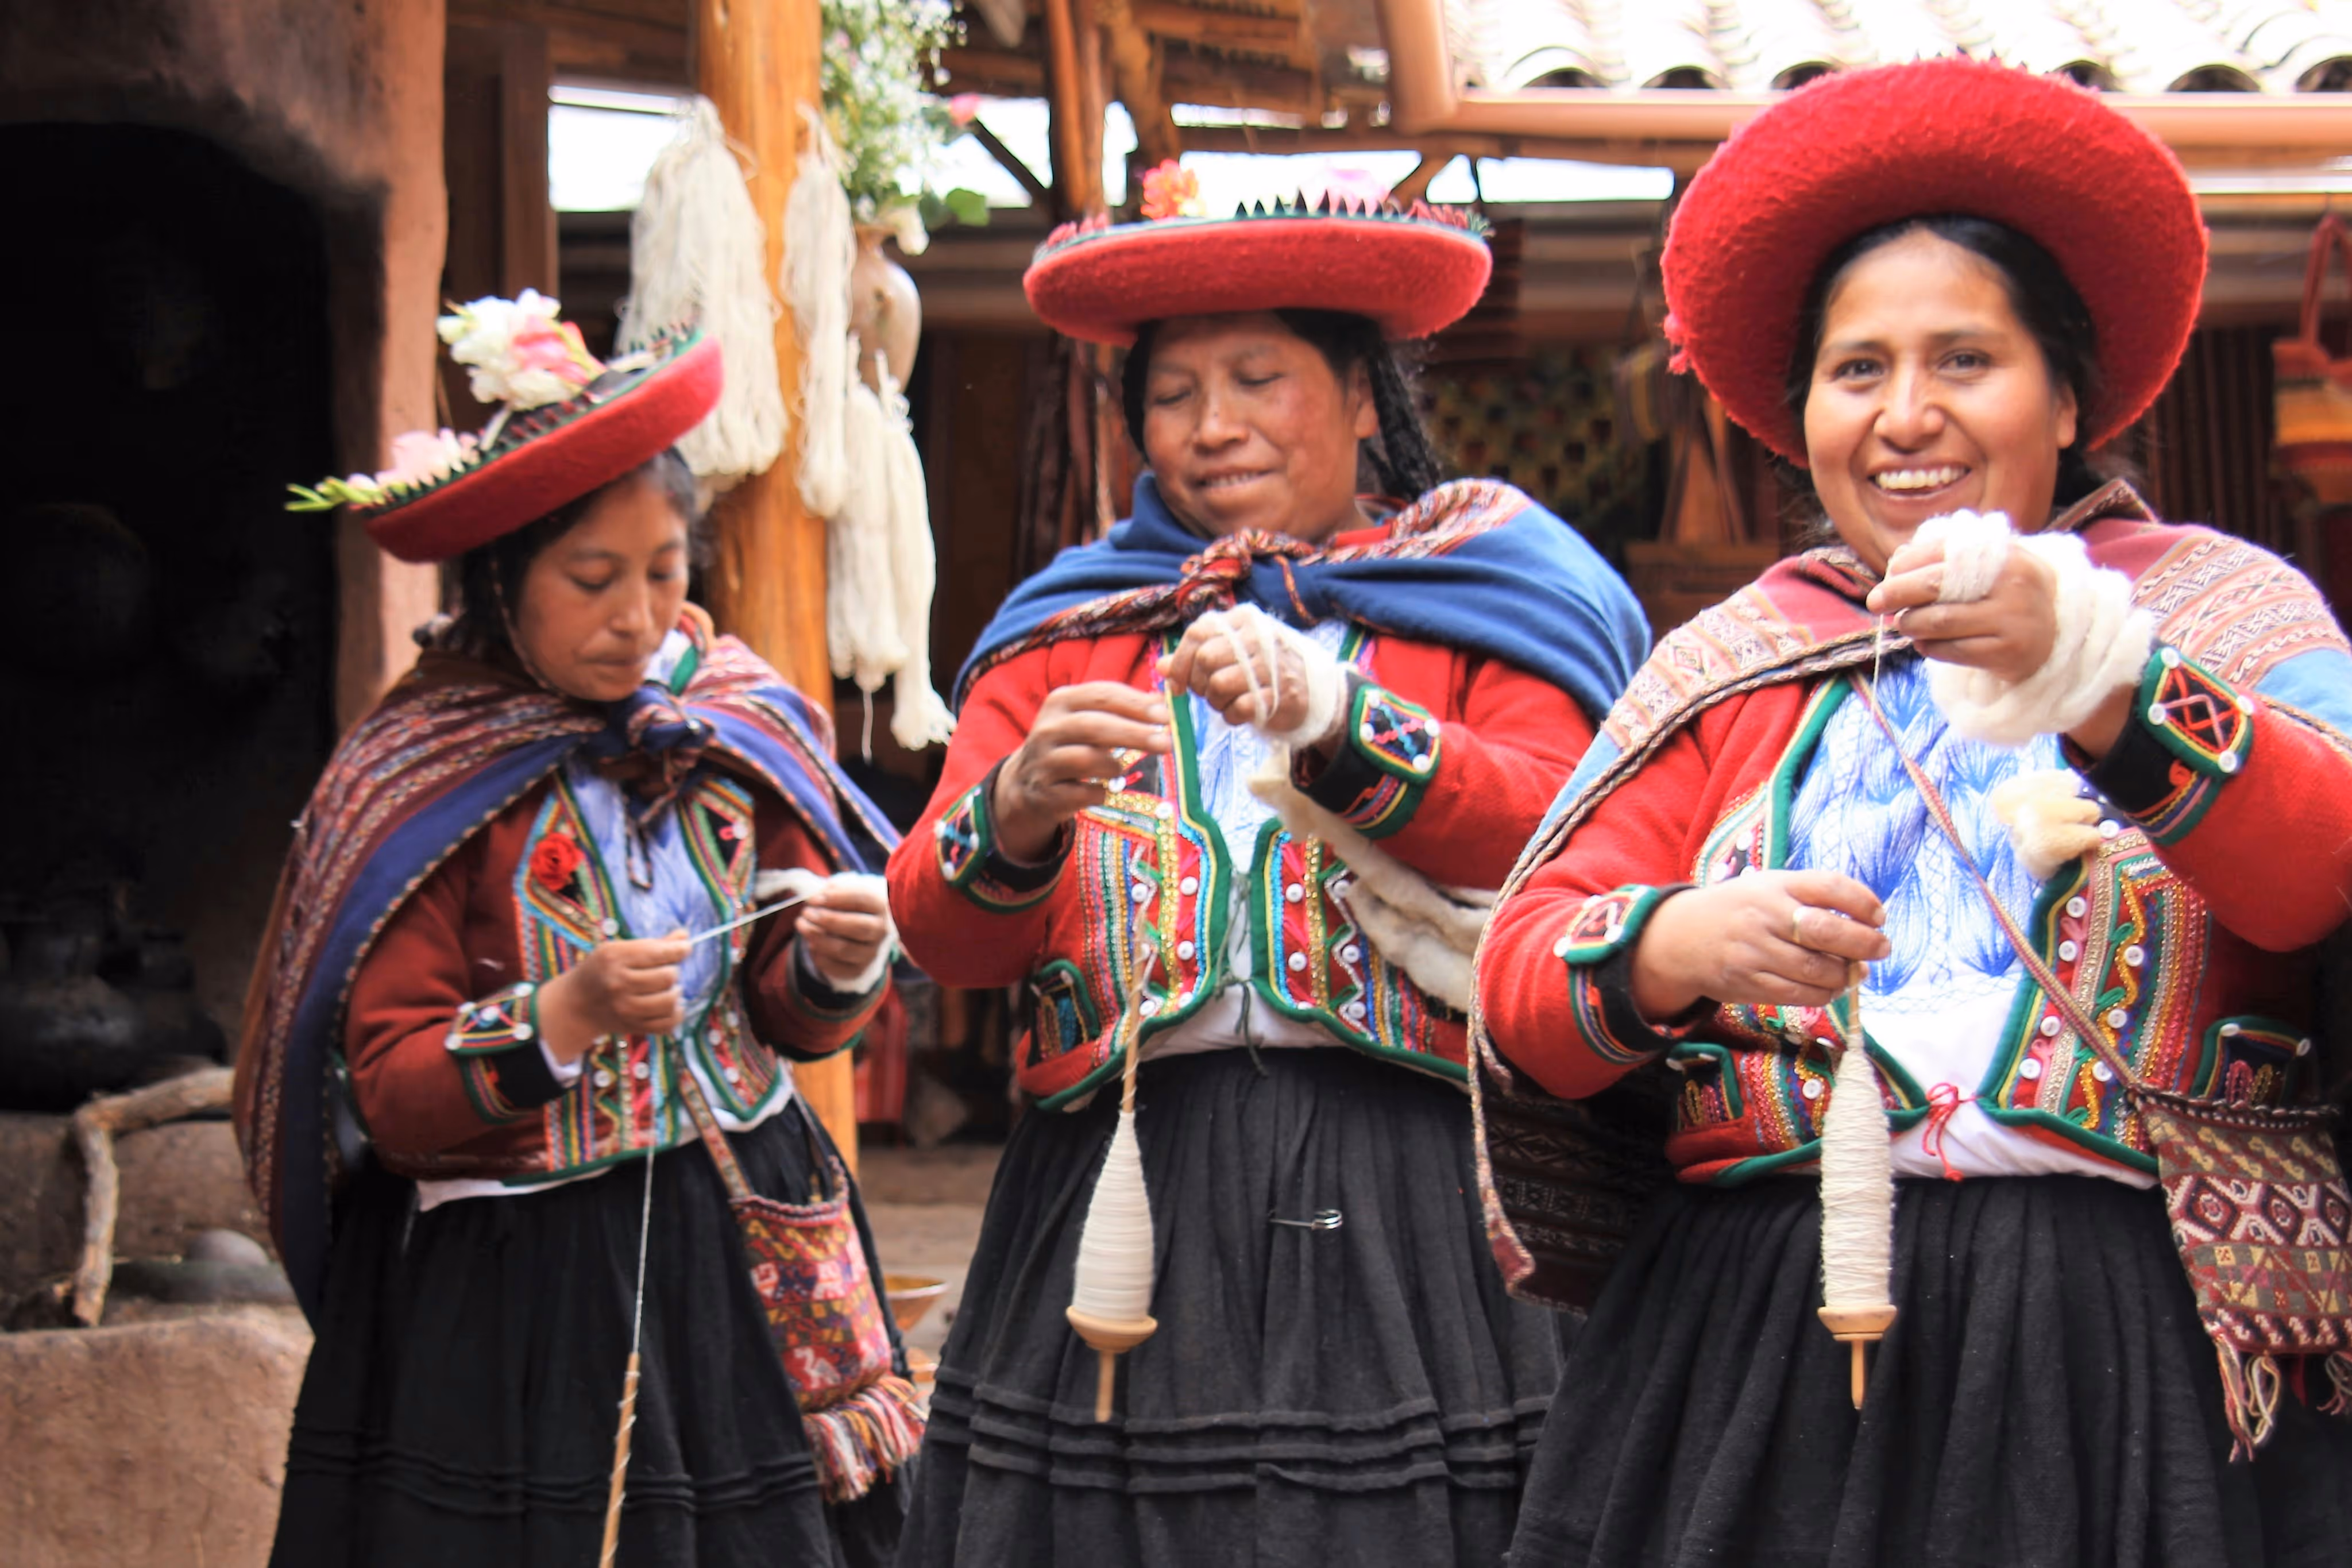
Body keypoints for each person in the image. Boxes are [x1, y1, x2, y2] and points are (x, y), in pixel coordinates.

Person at [1475, 58, 2352, 1566]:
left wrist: (2095, 676)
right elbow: (1519, 976)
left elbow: (2319, 870)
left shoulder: (2214, 609)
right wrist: (1673, 942)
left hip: (2122, 1333)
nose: (1902, 416)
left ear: (2066, 395)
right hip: (1752, 1332)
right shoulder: (1734, 656)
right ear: (1799, 407)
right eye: (1856, 368)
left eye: (1962, 360)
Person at [886, 168, 1651, 1566]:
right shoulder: (1067, 629)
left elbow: (1561, 829)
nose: (1213, 426)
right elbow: (946, 936)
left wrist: (1339, 720)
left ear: (1364, 394)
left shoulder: (1494, 590)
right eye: (1173, 394)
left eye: (1259, 377)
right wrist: (1015, 812)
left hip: (1414, 1174)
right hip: (1117, 1177)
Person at [235, 296, 918, 1566]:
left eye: (666, 573)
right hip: (527, 1290)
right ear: (502, 580)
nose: (640, 617)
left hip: (741, 1252)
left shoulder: (729, 725)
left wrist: (831, 960)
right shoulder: (421, 778)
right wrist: (566, 1014)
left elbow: (778, 1009)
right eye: (593, 581)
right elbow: (386, 1094)